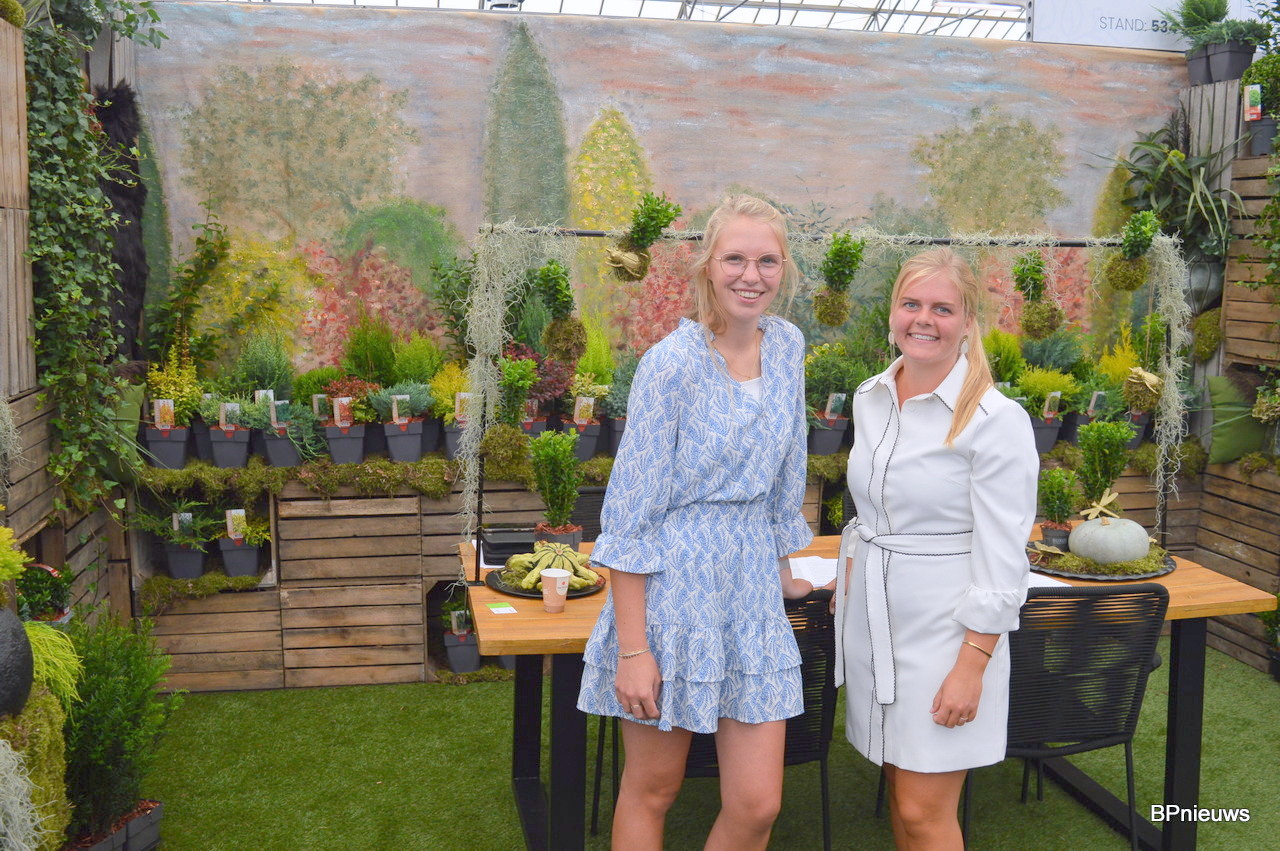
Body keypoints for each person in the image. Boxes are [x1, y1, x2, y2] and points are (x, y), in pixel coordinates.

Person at [577, 195, 815, 850]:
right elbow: (631, 517)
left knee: (758, 804)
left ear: (784, 269)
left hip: (752, 596)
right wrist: (634, 650)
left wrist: (782, 574)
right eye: (735, 258)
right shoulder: (670, 364)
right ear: (707, 265)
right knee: (654, 787)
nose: (751, 275)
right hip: (672, 594)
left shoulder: (788, 347)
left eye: (767, 261)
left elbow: (785, 477)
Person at [835, 247, 1037, 850]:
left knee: (925, 811)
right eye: (911, 304)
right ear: (892, 313)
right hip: (874, 625)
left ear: (968, 322)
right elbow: (873, 510)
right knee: (901, 789)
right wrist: (849, 577)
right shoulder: (870, 397)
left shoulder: (996, 419)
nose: (924, 319)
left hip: (948, 637)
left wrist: (972, 666)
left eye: (943, 309)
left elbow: (1004, 558)